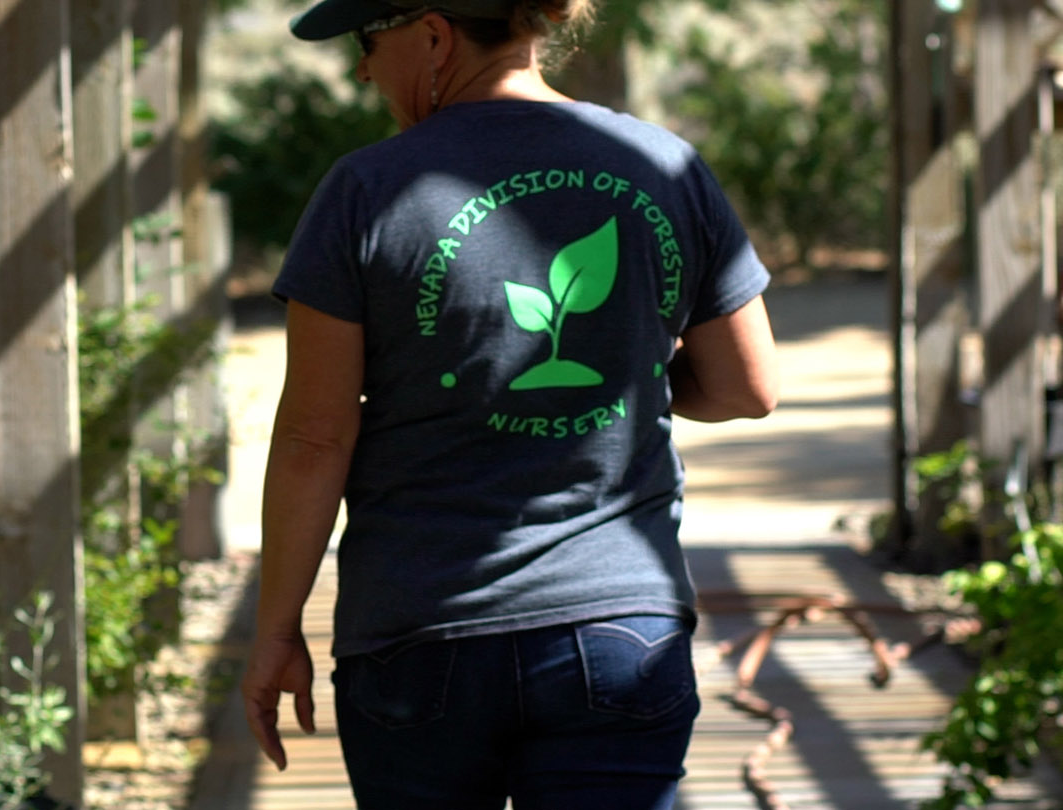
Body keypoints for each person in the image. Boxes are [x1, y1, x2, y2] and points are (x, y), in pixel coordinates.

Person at [240, 1, 779, 807]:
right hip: (620, 627)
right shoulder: (664, 164)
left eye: (367, 42)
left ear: (432, 33)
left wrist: (278, 632)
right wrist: (619, 379)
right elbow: (747, 387)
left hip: (421, 637)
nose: (361, 70)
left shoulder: (364, 190)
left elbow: (317, 437)